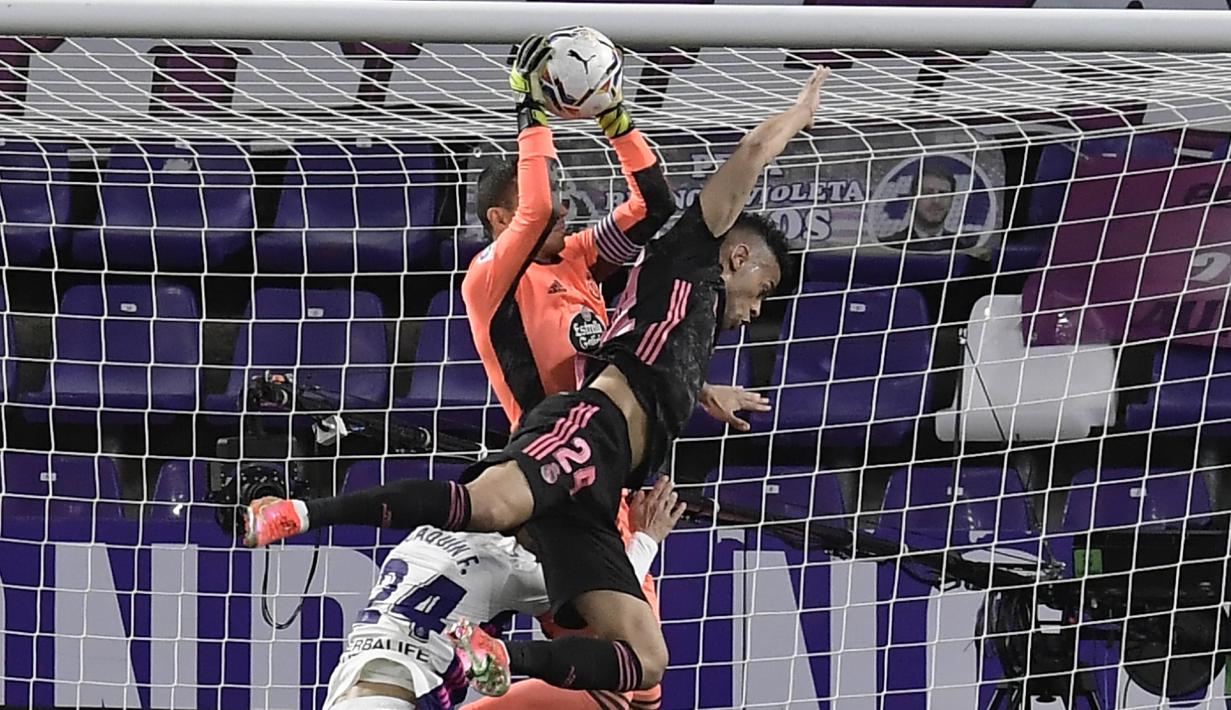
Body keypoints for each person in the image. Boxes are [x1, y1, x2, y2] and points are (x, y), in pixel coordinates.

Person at [250, 41, 825, 697]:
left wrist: (615, 117)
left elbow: (651, 213)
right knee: (479, 508)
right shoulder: (493, 277)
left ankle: (494, 657)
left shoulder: (579, 263)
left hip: (604, 479)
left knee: (641, 671)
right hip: (567, 436)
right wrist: (531, 112)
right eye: (764, 285)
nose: (566, 212)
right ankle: (298, 512)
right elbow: (544, 212)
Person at [322, 476, 685, 710]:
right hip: (400, 698)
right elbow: (612, 608)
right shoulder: (512, 567)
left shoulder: (422, 534)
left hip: (350, 693)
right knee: (615, 694)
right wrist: (646, 540)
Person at [877, 159, 978, 252]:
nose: (936, 201)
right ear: (912, 199)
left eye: (943, 193)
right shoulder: (891, 247)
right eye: (928, 193)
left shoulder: (963, 247)